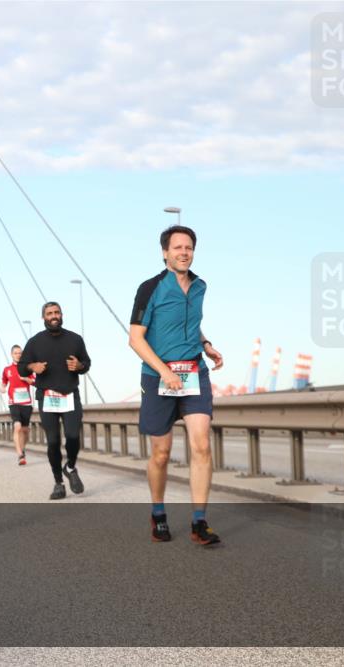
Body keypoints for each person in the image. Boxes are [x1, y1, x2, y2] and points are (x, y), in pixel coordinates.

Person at [129, 225, 224, 546]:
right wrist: (164, 371)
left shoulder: (199, 286)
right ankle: (158, 514)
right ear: (165, 252)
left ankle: (199, 521)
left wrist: (207, 344)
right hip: (158, 379)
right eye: (178, 247)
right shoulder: (150, 288)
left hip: (194, 373)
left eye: (189, 247)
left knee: (201, 446)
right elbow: (135, 339)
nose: (184, 252)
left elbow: (191, 323)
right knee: (161, 453)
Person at [19, 302, 91, 499]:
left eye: (57, 312)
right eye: (49, 313)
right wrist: (33, 366)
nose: (54, 316)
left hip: (70, 395)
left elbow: (87, 363)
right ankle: (58, 483)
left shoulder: (75, 339)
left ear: (61, 315)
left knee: (73, 436)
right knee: (53, 441)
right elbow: (21, 367)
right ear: (43, 317)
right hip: (47, 397)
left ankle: (70, 466)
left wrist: (79, 365)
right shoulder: (35, 342)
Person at [1, 345, 36, 465]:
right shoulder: (7, 369)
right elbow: (4, 383)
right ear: (12, 354)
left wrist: (26, 379)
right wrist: (2, 388)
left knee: (25, 430)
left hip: (26, 403)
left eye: (20, 353)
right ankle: (20, 454)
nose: (18, 355)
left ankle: (22, 449)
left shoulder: (27, 368)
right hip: (14, 402)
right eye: (16, 353)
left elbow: (33, 381)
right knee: (17, 427)